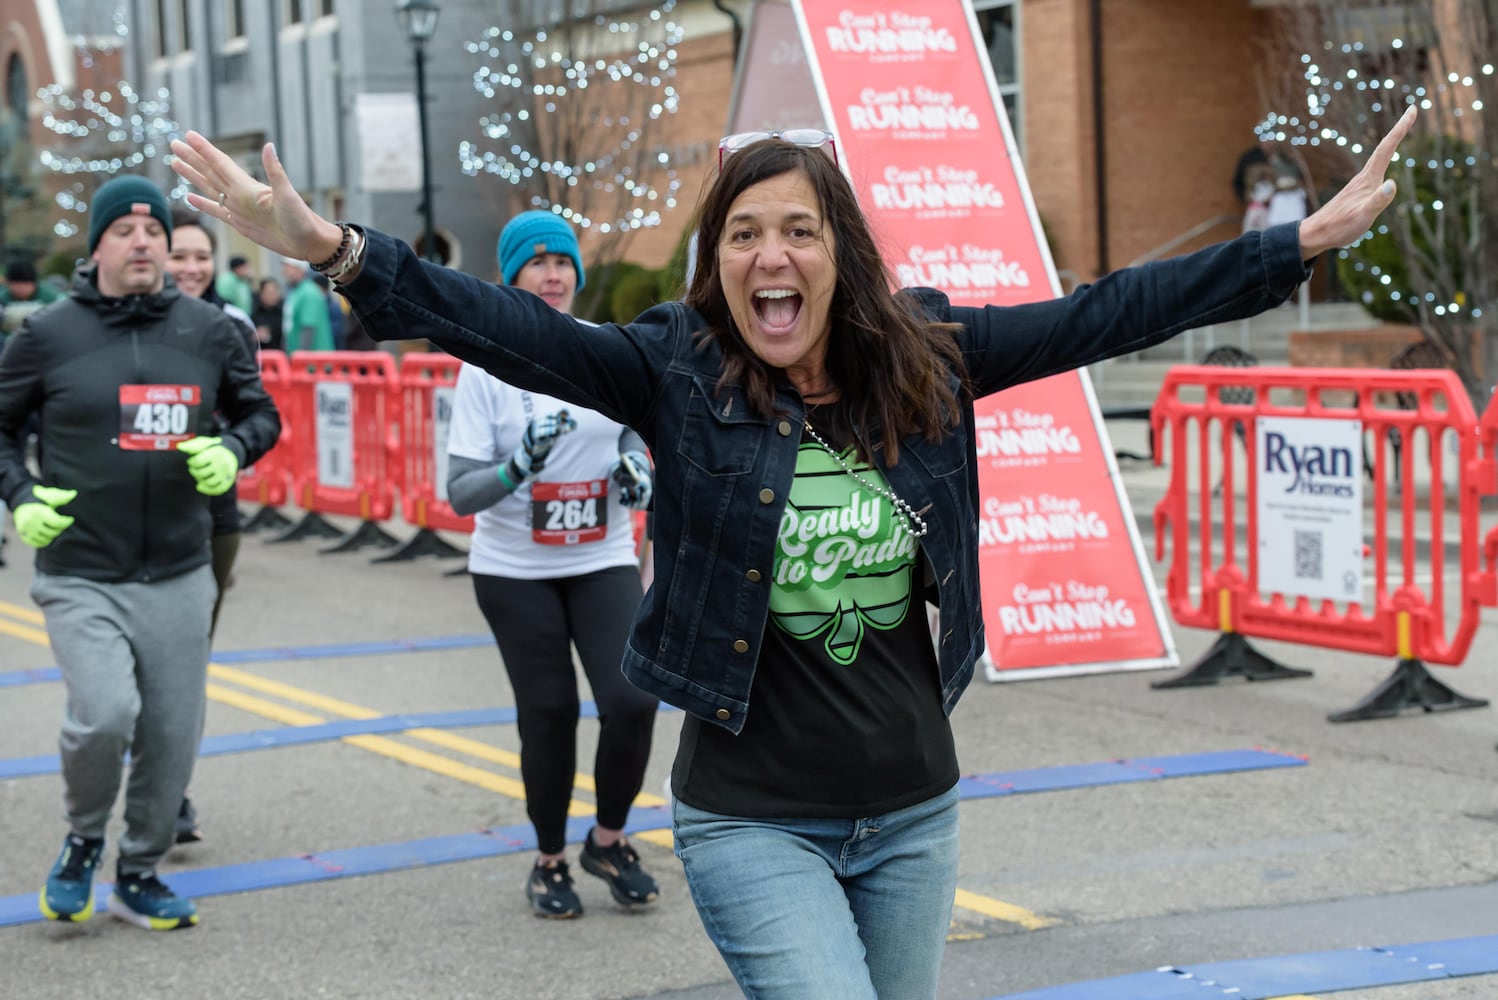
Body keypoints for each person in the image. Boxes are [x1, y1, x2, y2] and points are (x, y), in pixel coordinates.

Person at [171, 105, 1415, 995]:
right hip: (753, 819)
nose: (774, 255)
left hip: (915, 810)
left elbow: (1106, 312)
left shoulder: (925, 358)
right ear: (718, 261)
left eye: (801, 231)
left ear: (840, 255)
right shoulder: (669, 367)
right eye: (746, 233)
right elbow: (503, 329)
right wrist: (339, 252)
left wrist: (1287, 248)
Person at [0, 174, 280, 931]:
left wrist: (233, 448)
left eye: (153, 230)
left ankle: (141, 867)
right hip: (81, 571)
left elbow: (261, 413)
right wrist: (21, 497)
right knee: (106, 714)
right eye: (125, 231)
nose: (144, 242)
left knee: (169, 731)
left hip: (181, 569)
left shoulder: (209, 330)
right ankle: (84, 839)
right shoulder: (47, 334)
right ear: (98, 247)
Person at [442, 210, 660, 919]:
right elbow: (461, 494)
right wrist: (517, 466)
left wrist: (634, 462)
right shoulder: (484, 370)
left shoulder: (604, 348)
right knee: (551, 714)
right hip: (514, 570)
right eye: (536, 264)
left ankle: (608, 838)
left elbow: (631, 425)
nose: (552, 274)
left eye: (562, 262)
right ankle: (549, 858)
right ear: (512, 277)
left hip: (601, 558)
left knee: (631, 700)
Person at [163, 206, 265, 845]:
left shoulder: (232, 326)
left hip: (211, 514)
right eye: (180, 255)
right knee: (141, 665)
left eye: (202, 256)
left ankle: (172, 792)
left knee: (186, 661)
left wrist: (226, 445)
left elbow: (255, 415)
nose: (192, 268)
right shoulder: (117, 325)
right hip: (129, 514)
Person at [280, 257, 333, 353]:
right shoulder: (296, 291)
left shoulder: (309, 293)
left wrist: (301, 356)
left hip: (313, 361)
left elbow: (309, 327)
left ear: (300, 269)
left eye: (289, 267)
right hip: (298, 357)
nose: (285, 271)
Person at [0, 260, 65, 337]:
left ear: (34, 283)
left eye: (26, 283)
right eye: (16, 284)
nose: (21, 288)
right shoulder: (2, 297)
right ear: (8, 284)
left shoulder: (51, 296)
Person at [252, 277, 284, 351]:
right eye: (269, 293)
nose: (272, 296)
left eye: (275, 293)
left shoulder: (284, 310)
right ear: (261, 294)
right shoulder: (255, 311)